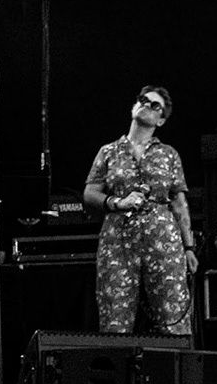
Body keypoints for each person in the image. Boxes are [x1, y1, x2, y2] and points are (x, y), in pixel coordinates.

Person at [84, 84, 198, 335]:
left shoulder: (168, 154)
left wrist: (188, 246)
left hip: (163, 241)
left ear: (161, 120)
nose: (146, 105)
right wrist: (116, 202)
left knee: (173, 316)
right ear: (133, 106)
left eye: (155, 105)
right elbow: (90, 194)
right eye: (143, 100)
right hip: (118, 241)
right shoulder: (109, 151)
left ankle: (173, 372)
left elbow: (179, 203)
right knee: (115, 318)